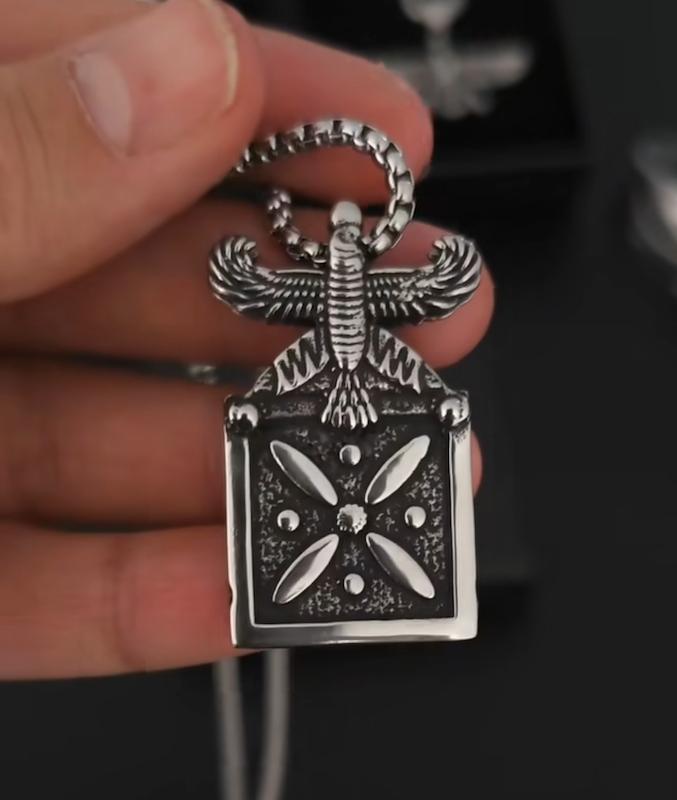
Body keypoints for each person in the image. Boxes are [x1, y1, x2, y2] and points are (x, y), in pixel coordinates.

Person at [0, 0, 493, 679]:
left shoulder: (344, 285)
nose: (343, 251)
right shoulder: (307, 283)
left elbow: (444, 281)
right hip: (323, 372)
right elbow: (249, 282)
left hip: (351, 368)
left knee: (366, 411)